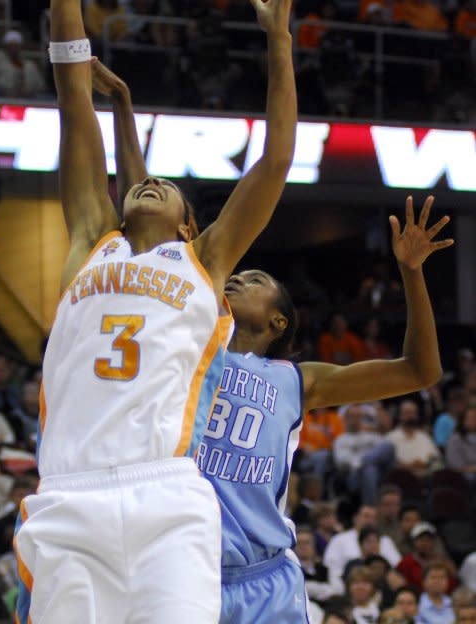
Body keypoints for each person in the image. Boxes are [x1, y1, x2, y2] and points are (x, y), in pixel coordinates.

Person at [14, 0, 306, 624]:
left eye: (168, 187)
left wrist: (278, 43)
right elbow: (72, 94)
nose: (149, 182)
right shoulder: (92, 239)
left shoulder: (205, 264)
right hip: (68, 493)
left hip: (166, 496)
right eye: (143, 181)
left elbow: (273, 160)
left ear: (188, 222)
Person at [103, 31, 451, 624]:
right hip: (184, 577)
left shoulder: (297, 380)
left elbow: (421, 371)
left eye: (256, 278)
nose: (238, 279)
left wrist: (411, 274)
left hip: (265, 578)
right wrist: (124, 112)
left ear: (280, 318)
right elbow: (145, 225)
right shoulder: (193, 334)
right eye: (240, 274)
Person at [332, 406, 395, 504]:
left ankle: (370, 508)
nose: (355, 420)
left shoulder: (371, 436)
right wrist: (363, 464)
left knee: (388, 446)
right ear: (345, 419)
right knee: (369, 469)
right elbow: (341, 462)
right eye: (352, 416)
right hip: (354, 477)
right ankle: (371, 507)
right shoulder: (341, 440)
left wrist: (367, 461)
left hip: (379, 472)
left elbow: (387, 449)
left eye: (358, 417)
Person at [0, 31, 45, 98]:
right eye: (11, 46)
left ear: (21, 47)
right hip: (0, 96)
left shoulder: (29, 65)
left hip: (25, 98)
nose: (13, 48)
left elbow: (40, 87)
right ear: (5, 46)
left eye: (16, 46)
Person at [386, 400, 441, 476]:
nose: (411, 416)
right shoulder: (390, 438)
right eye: (407, 413)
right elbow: (388, 464)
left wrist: (426, 464)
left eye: (413, 413)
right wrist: (409, 466)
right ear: (400, 416)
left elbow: (439, 463)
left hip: (428, 479)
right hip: (402, 479)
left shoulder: (425, 437)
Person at [445, 406, 476, 482]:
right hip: (463, 477)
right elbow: (456, 466)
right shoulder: (455, 439)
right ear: (463, 420)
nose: (473, 420)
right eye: (470, 418)